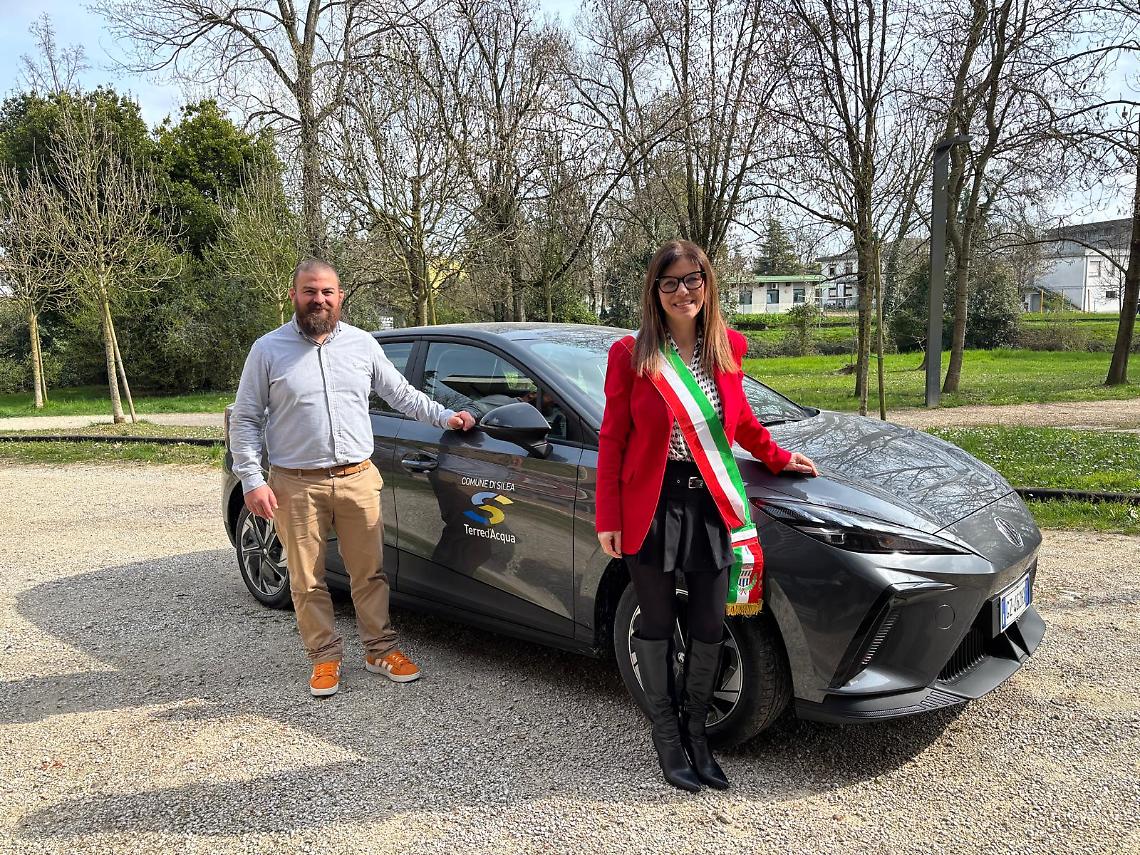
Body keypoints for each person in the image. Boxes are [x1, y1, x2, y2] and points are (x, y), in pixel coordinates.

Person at [595, 240, 818, 792]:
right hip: (651, 506)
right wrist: (608, 517)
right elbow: (613, 438)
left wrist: (778, 457)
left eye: (692, 279)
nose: (682, 291)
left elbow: (740, 422)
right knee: (654, 623)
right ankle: (667, 736)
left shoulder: (729, 347)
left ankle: (696, 734)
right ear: (655, 291)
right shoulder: (630, 355)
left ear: (707, 283)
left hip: (712, 504)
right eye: (669, 282)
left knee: (710, 624)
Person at [230, 259, 475, 697]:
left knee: (370, 573)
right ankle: (324, 657)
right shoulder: (267, 350)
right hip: (296, 482)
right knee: (307, 578)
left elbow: (401, 394)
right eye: (310, 291)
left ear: (340, 296)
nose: (319, 299)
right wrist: (251, 479)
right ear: (294, 295)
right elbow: (246, 418)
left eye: (327, 291)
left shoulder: (363, 345)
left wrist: (446, 417)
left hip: (358, 478)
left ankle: (380, 650)